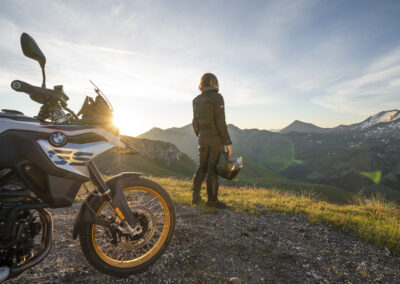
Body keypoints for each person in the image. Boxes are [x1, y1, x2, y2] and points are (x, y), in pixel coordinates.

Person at [191, 73, 232, 208]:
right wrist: (227, 142)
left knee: (202, 166)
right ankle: (212, 201)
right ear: (214, 83)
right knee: (213, 169)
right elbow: (221, 122)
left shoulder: (196, 100)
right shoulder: (218, 98)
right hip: (216, 140)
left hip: (202, 139)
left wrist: (200, 135)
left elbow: (195, 123)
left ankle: (195, 197)